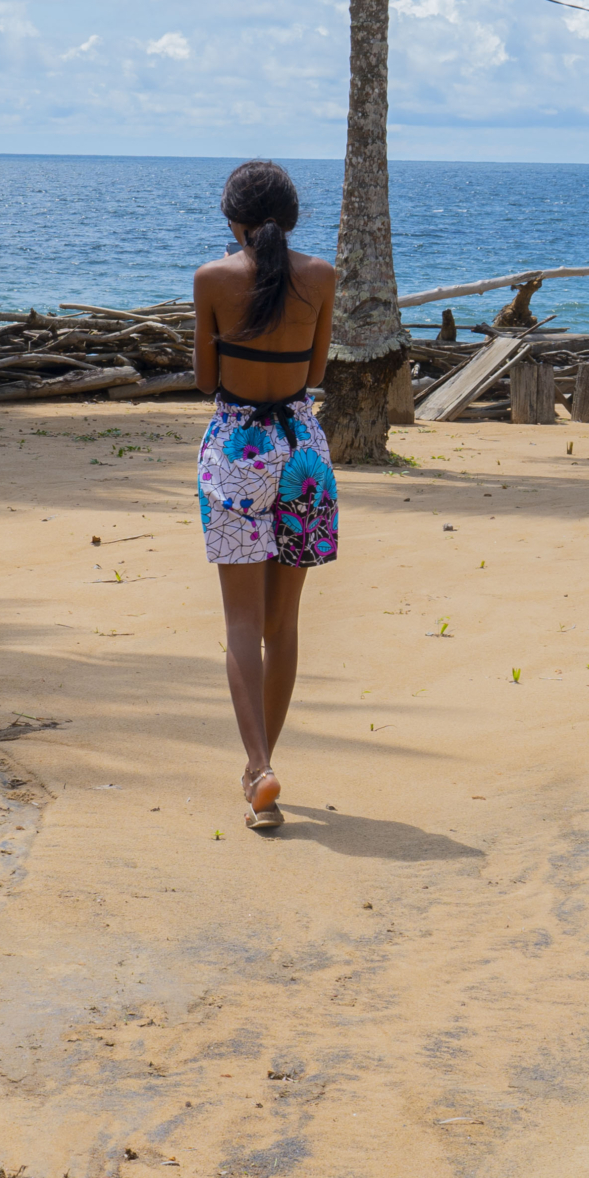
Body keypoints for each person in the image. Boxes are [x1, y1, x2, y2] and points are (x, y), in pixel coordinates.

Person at [192, 160, 339, 832]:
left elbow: (206, 379)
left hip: (238, 451)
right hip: (303, 448)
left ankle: (258, 767)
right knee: (283, 626)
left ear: (232, 221)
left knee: (241, 626)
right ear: (293, 218)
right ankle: (263, 765)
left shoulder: (213, 280)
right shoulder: (322, 278)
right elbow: (312, 373)